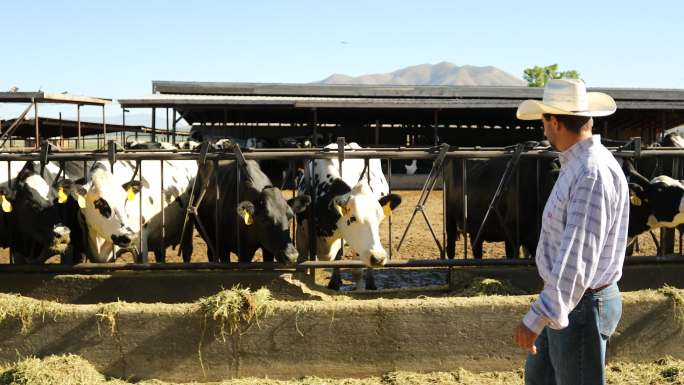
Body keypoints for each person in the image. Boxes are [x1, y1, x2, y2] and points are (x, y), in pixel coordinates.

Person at [512, 79, 628, 385]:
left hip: (578, 304)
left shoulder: (590, 173)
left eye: (544, 121)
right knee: (540, 379)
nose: (543, 129)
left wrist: (538, 315)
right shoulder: (579, 166)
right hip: (568, 301)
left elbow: (577, 258)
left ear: (555, 123)